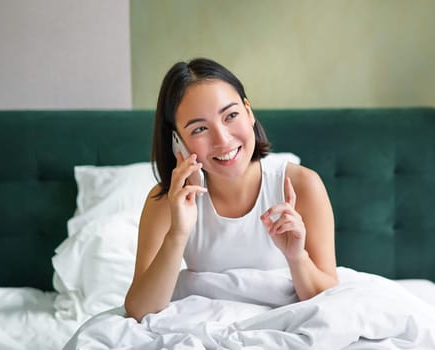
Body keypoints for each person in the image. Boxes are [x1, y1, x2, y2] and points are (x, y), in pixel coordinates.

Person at [123, 58, 338, 322]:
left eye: (231, 115)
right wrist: (177, 234)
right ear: (177, 141)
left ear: (248, 112)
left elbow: (329, 301)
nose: (223, 140)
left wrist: (297, 257)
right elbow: (139, 309)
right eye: (200, 128)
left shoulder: (303, 186)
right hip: (206, 326)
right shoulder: (168, 200)